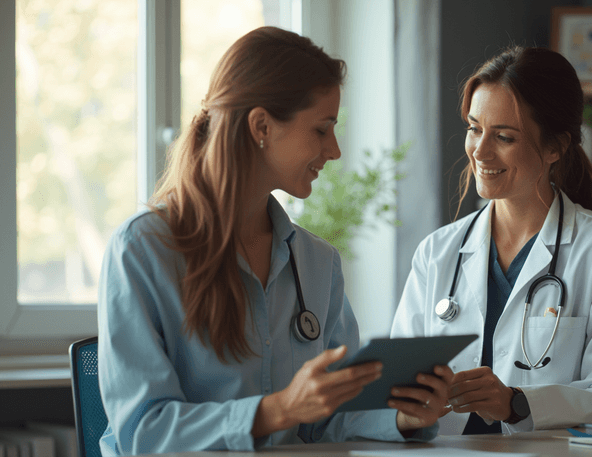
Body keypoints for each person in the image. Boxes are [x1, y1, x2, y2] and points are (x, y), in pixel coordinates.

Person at [97, 26, 451, 455]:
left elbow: (330, 416)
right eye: (321, 129)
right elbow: (144, 433)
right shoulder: (142, 250)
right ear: (262, 125)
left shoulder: (318, 263)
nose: (334, 150)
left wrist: (401, 417)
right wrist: (279, 410)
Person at [390, 46, 592, 435]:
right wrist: (408, 410)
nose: (480, 151)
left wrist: (517, 404)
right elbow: (397, 391)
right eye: (474, 128)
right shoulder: (437, 253)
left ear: (555, 147)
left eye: (503, 136)